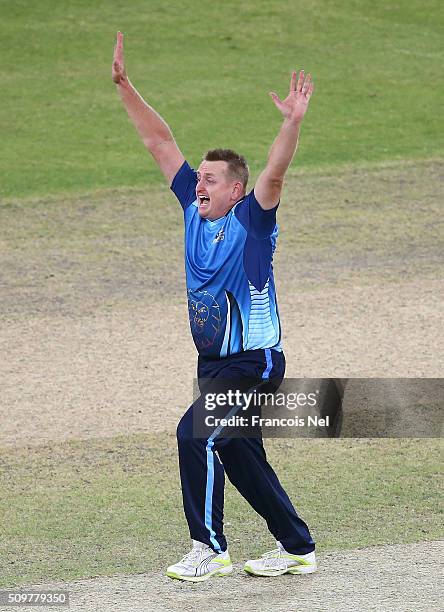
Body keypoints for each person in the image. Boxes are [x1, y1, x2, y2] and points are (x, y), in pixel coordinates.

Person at [112, 31, 316, 581]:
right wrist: (126, 87)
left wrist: (291, 122)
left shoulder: (252, 219)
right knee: (239, 451)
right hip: (215, 365)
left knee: (195, 433)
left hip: (255, 361)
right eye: (197, 176)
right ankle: (296, 546)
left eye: (209, 178)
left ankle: (209, 548)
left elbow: (275, 171)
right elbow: (160, 141)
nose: (197, 181)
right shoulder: (190, 209)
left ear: (235, 190)